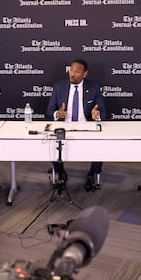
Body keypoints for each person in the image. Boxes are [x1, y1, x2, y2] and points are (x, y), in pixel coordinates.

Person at [46, 58, 106, 192]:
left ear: (85, 74)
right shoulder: (59, 87)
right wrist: (57, 114)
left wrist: (97, 115)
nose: (72, 73)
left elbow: (102, 112)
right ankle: (60, 173)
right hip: (65, 127)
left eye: (77, 71)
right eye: (71, 70)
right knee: (53, 142)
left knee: (99, 143)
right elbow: (49, 112)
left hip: (86, 126)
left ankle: (93, 175)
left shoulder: (93, 88)